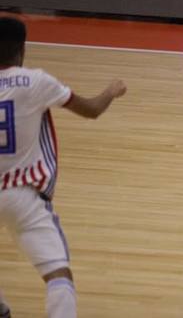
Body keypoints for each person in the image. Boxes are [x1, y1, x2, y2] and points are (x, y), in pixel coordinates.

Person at [0, 17, 127, 318]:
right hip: (21, 194)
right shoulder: (35, 81)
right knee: (58, 275)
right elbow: (92, 110)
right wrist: (111, 90)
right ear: (22, 49)